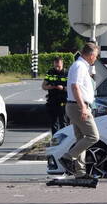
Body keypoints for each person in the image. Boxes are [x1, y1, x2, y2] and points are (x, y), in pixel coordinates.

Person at [59, 43, 99, 178]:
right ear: (91, 55)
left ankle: (80, 172)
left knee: (81, 138)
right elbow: (75, 87)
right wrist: (83, 107)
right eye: (96, 56)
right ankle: (68, 157)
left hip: (75, 105)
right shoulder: (79, 66)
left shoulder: (81, 66)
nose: (96, 59)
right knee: (93, 136)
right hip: (78, 106)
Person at [42, 57, 69, 135]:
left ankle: (64, 141)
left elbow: (72, 88)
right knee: (53, 122)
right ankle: (55, 140)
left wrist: (63, 88)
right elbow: (43, 86)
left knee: (63, 122)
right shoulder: (50, 72)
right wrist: (51, 87)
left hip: (63, 100)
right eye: (56, 66)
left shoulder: (67, 73)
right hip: (52, 100)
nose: (57, 68)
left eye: (59, 66)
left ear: (62, 64)